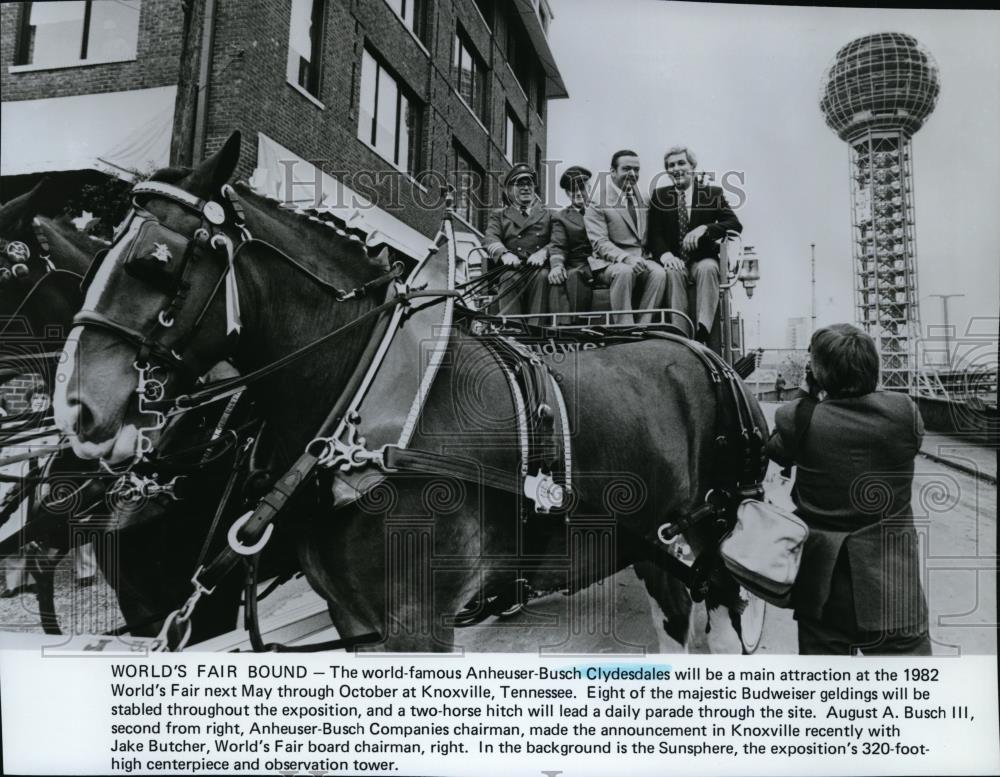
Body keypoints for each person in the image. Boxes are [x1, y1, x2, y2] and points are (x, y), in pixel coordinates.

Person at [765, 324, 930, 655]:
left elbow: (774, 450)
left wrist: (807, 394)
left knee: (828, 694)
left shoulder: (799, 418)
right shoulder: (904, 413)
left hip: (823, 590)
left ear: (817, 372)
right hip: (894, 588)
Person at [646, 145, 742, 342]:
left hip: (702, 258)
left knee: (708, 268)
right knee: (672, 272)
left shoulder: (712, 193)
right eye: (671, 165)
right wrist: (666, 256)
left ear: (692, 167)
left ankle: (702, 330)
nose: (676, 168)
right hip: (675, 260)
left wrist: (705, 228)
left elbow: (734, 224)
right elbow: (655, 234)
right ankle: (680, 333)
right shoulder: (659, 196)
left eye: (681, 163)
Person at [583, 150, 668, 325]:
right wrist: (626, 258)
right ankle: (625, 327)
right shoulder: (597, 201)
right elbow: (599, 243)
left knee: (659, 273)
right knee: (624, 271)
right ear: (613, 172)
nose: (632, 174)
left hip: (642, 259)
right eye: (626, 168)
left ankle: (644, 325)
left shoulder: (644, 199)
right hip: (610, 264)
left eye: (636, 170)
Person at [483, 163, 553, 321]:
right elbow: (490, 237)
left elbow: (558, 240)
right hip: (512, 268)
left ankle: (537, 333)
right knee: (508, 279)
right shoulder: (500, 215)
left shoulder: (548, 214)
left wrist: (543, 252)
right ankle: (512, 333)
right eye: (520, 184)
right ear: (510, 190)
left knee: (542, 277)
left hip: (538, 268)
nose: (526, 188)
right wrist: (504, 254)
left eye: (529, 183)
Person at [548, 165, 596, 314]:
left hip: (603, 261)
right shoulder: (560, 217)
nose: (578, 193)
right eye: (573, 189)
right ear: (568, 194)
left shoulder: (603, 210)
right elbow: (558, 244)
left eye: (582, 187)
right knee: (567, 277)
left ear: (589, 188)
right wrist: (557, 266)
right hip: (578, 264)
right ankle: (570, 329)